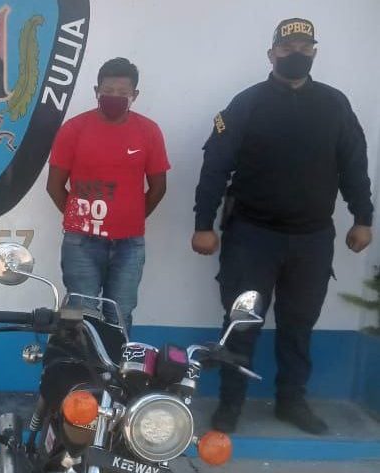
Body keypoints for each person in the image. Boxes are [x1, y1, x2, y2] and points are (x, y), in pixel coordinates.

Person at [192, 18, 373, 435]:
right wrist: (203, 224)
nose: (296, 54)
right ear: (271, 53)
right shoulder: (247, 104)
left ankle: (291, 402)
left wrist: (363, 218)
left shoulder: (335, 104)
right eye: (288, 48)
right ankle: (230, 405)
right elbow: (215, 166)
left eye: (305, 48)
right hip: (252, 236)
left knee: (299, 325)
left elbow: (354, 164)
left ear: (314, 53)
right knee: (241, 323)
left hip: (312, 238)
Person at [47, 57, 170, 331]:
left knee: (120, 317)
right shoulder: (74, 129)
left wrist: (128, 218)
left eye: (123, 92)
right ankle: (80, 361)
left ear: (135, 95)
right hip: (81, 241)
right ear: (96, 91)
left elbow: (158, 187)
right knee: (81, 316)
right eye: (108, 91)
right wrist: (81, 220)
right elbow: (54, 186)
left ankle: (115, 362)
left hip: (129, 243)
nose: (114, 97)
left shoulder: (148, 131)